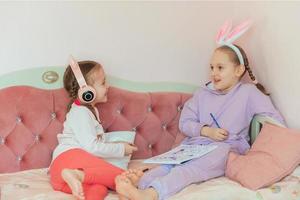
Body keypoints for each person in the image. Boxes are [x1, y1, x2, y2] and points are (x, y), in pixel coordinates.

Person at [114, 21, 285, 200]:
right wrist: (205, 131)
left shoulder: (248, 93)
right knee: (168, 166)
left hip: (225, 149)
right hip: (194, 147)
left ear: (238, 70)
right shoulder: (202, 93)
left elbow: (274, 120)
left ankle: (151, 193)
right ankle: (139, 184)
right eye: (212, 68)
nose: (214, 73)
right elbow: (185, 123)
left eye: (220, 68)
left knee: (189, 171)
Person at [49, 58, 138, 200]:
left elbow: (92, 145)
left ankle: (77, 177)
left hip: (60, 177)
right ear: (87, 91)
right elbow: (92, 147)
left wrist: (116, 146)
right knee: (122, 177)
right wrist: (121, 149)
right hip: (68, 160)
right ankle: (78, 174)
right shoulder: (80, 113)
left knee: (99, 187)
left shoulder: (89, 110)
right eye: (103, 83)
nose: (108, 86)